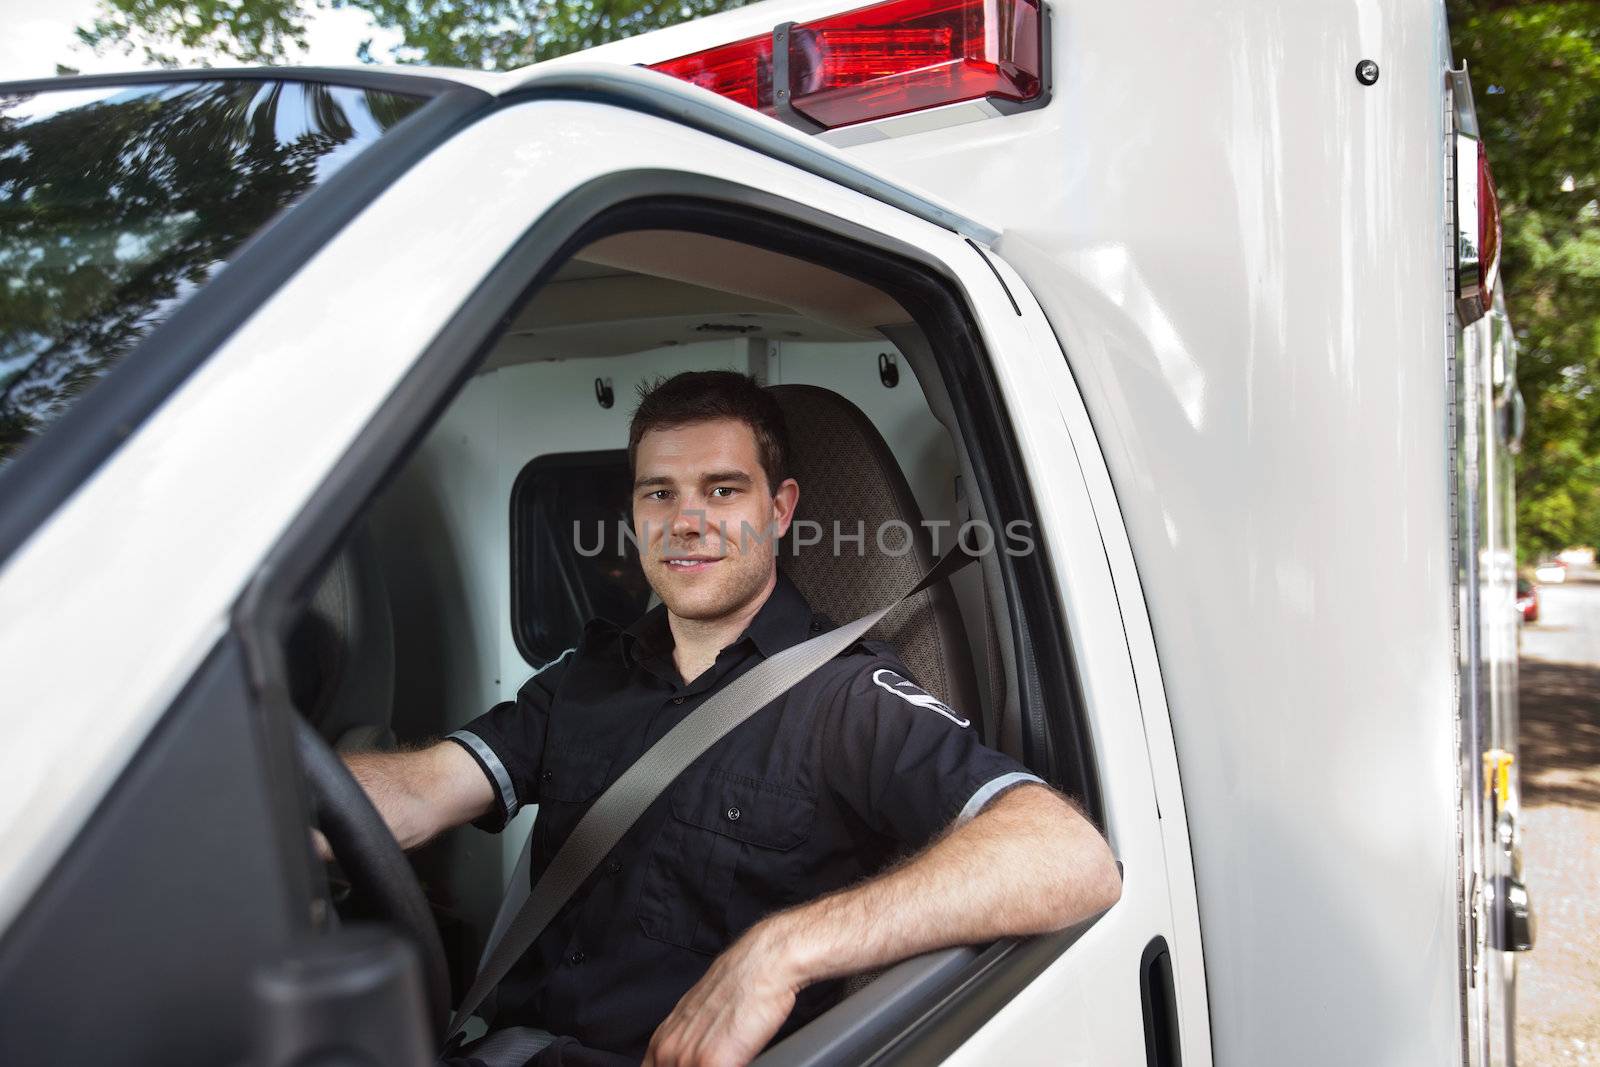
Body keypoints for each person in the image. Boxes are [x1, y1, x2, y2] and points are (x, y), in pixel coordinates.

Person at [344, 371, 1122, 1067]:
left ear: (778, 510)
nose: (686, 520)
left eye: (722, 490)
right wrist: (268, 801)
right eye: (660, 492)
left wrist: (783, 948)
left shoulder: (848, 698)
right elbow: (416, 792)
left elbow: (1067, 856)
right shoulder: (587, 675)